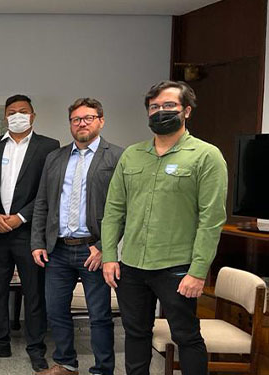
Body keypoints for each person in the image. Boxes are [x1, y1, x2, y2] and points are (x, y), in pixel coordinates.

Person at [102, 81, 227, 375]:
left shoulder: (206, 156)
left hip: (177, 267)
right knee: (135, 334)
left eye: (168, 106)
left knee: (186, 336)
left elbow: (211, 219)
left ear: (187, 111)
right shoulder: (132, 155)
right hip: (131, 265)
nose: (160, 112)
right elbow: (114, 210)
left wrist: (198, 271)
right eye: (154, 107)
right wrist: (109, 256)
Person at [30, 98, 123, 375]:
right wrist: (37, 242)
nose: (82, 123)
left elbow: (125, 208)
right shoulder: (55, 158)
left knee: (99, 316)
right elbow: (42, 203)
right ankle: (66, 364)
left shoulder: (117, 156)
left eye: (88, 118)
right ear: (70, 123)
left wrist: (104, 247)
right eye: (76, 119)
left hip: (93, 251)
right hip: (57, 249)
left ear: (101, 121)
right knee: (56, 311)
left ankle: (103, 369)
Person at [0, 94, 59, 372]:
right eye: (12, 111)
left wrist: (21, 216)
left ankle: (36, 348)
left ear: (33, 116)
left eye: (23, 111)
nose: (18, 115)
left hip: (30, 233)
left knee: (35, 293)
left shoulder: (49, 147)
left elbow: (48, 191)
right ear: (5, 117)